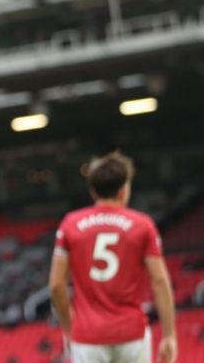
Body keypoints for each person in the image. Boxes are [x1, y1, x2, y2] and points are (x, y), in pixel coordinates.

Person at [49, 151, 177, 363]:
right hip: (131, 334)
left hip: (88, 337)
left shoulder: (70, 225)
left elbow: (55, 285)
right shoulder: (143, 225)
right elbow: (160, 280)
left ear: (92, 192)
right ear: (124, 189)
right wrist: (169, 335)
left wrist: (70, 327)